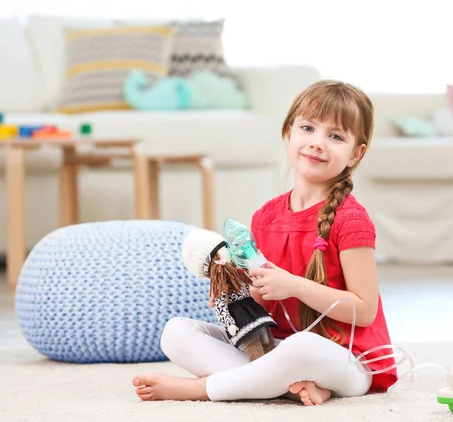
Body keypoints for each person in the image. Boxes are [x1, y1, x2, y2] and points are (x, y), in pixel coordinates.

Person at [132, 80, 398, 406]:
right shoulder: (265, 217)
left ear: (356, 152)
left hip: (345, 359)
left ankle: (203, 388)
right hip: (278, 350)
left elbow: (365, 311)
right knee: (176, 331)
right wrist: (236, 294)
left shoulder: (351, 220)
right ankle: (287, 386)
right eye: (308, 128)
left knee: (303, 346)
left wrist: (294, 286)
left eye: (335, 136)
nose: (317, 143)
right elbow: (263, 307)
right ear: (289, 132)